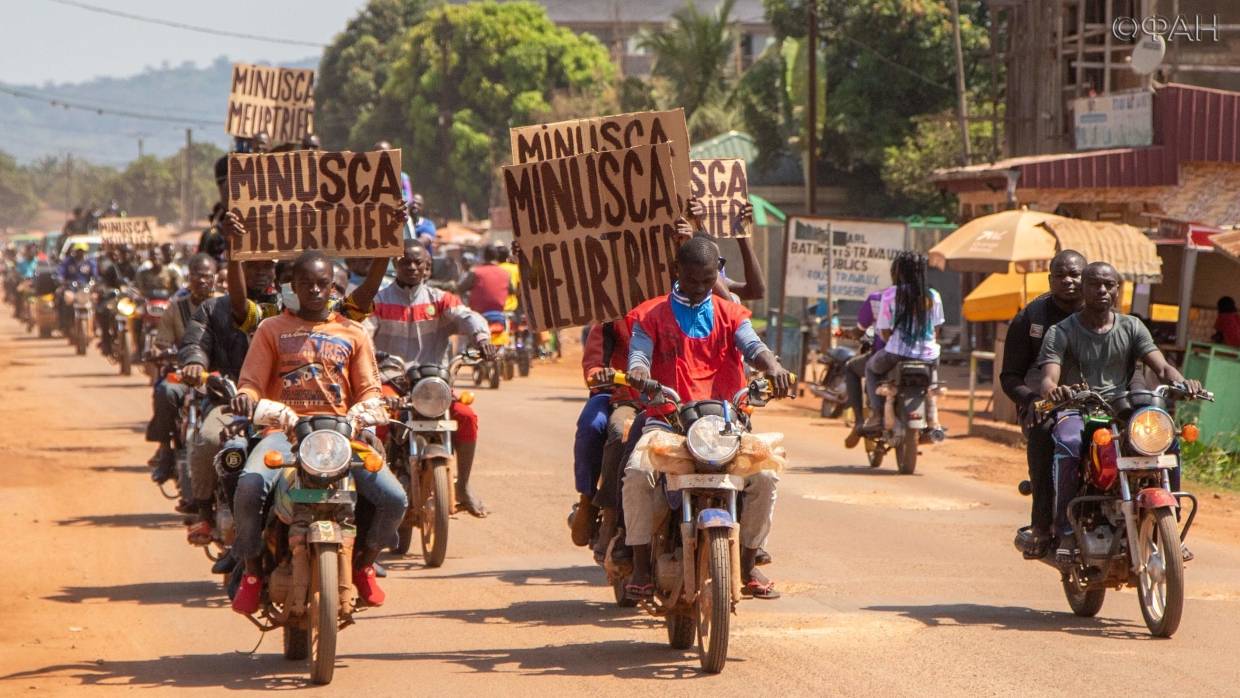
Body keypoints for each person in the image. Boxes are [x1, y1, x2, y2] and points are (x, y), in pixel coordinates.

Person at [229, 250, 406, 614]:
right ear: (292, 286)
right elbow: (250, 383)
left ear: (332, 286)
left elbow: (370, 389)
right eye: (306, 283)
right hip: (283, 432)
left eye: (321, 284)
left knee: (394, 499)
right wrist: (246, 399)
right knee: (248, 485)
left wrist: (370, 410)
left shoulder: (353, 331)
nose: (314, 290)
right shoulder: (271, 329)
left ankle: (364, 564)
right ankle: (250, 572)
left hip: (340, 436)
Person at [621, 236, 792, 601]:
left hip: (727, 424)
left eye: (708, 279)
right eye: (692, 279)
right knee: (637, 474)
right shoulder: (650, 315)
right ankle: (638, 566)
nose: (700, 288)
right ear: (676, 271)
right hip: (668, 420)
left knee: (765, 475)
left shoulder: (731, 314)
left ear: (718, 274)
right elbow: (638, 355)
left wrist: (773, 366)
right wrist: (638, 371)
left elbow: (754, 347)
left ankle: (747, 562)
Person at [1038, 261, 1201, 563]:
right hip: (1078, 408)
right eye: (1095, 283)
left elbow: (1161, 365)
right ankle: (1065, 531)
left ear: (1117, 289)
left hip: (1123, 407)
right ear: (1083, 288)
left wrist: (1182, 382)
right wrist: (1055, 390)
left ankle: (1171, 526)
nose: (1102, 289)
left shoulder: (1132, 327)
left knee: (1167, 439)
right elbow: (1049, 376)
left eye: (1108, 284)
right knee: (1069, 444)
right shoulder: (1060, 332)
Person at [365, 241, 496, 516]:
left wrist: (482, 338)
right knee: (378, 421)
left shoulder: (442, 299)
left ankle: (463, 487)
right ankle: (374, 489)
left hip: (434, 385)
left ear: (428, 267)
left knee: (467, 416)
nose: (411, 267)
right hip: (393, 383)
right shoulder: (377, 300)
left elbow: (469, 317)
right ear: (395, 265)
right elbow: (363, 331)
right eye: (405, 262)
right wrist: (367, 349)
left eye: (418, 263)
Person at [999, 250, 1085, 558]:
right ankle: (1041, 523)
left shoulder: (1100, 313)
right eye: (1060, 275)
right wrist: (1031, 400)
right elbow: (1009, 375)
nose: (1068, 281)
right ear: (1050, 279)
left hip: (1094, 400)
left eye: (1075, 274)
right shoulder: (1031, 317)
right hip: (1045, 403)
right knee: (1042, 430)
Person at [146, 254, 218, 487]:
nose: (202, 281)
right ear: (189, 277)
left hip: (217, 377)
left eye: (207, 276)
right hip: (184, 374)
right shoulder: (176, 309)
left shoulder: (226, 305)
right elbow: (162, 341)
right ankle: (166, 451)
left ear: (215, 278)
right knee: (165, 392)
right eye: (197, 275)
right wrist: (161, 352)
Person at [863, 252, 945, 431]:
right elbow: (937, 329)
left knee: (870, 368)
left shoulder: (891, 295)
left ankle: (877, 414)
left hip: (896, 354)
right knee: (932, 386)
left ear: (898, 272)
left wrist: (893, 341)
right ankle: (933, 419)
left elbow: (884, 332)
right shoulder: (933, 296)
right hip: (929, 357)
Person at [843, 286, 887, 448]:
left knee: (851, 367)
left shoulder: (880, 298)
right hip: (922, 356)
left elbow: (860, 329)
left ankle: (859, 421)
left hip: (885, 354)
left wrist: (851, 334)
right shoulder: (926, 298)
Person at [457, 243, 513, 320]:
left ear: (483, 257)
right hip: (500, 313)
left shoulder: (475, 272)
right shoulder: (505, 273)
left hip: (479, 314)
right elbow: (512, 291)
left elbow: (460, 288)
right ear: (496, 257)